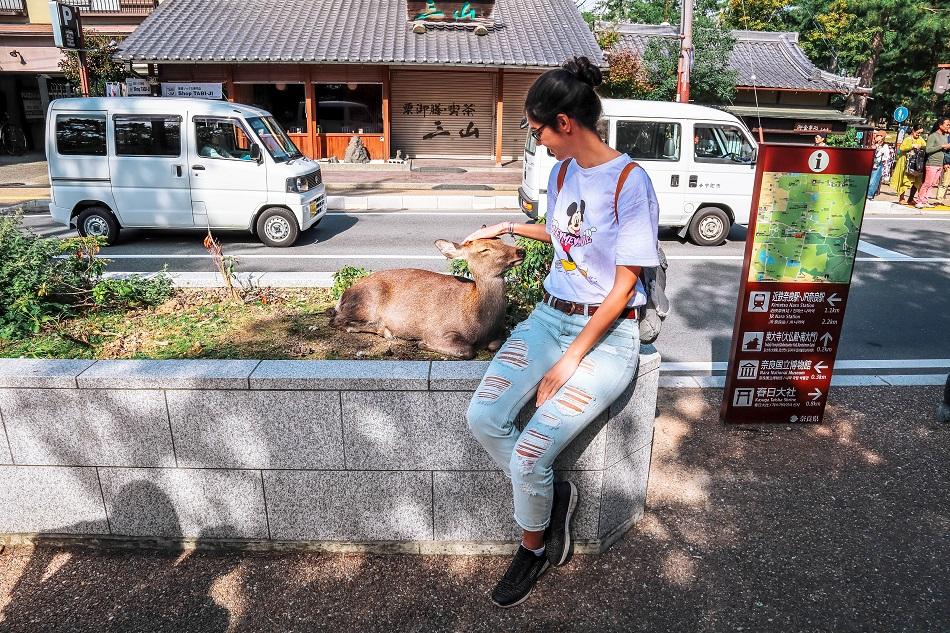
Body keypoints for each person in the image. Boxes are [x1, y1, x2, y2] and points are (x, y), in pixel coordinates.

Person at [464, 56, 659, 608]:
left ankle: (532, 547)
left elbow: (623, 286)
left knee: (528, 456)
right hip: (549, 316)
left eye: (539, 130)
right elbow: (561, 232)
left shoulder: (629, 182)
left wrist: (569, 360)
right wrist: (506, 226)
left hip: (606, 334)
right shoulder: (562, 171)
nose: (539, 141)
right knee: (483, 416)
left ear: (566, 124)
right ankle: (551, 498)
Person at [915, 117, 950, 209]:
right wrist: (942, 146)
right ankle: (919, 200)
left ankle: (925, 200)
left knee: (933, 184)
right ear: (940, 125)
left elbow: (943, 150)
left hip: (940, 164)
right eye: (947, 124)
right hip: (932, 163)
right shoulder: (933, 136)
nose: (948, 126)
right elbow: (928, 149)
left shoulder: (944, 137)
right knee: (927, 183)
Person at [891, 125, 927, 204]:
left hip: (916, 164)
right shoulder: (908, 139)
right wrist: (912, 146)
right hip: (905, 162)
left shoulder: (921, 139)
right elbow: (902, 148)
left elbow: (925, 147)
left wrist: (921, 146)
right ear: (913, 131)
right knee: (904, 180)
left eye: (921, 133)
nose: (919, 134)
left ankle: (911, 198)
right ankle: (901, 198)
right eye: (918, 132)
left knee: (916, 181)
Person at [867, 131, 889, 200]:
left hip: (878, 164)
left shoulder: (885, 146)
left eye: (877, 136)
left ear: (882, 137)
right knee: (869, 180)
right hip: (871, 164)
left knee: (873, 181)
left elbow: (886, 156)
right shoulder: (873, 144)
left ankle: (870, 195)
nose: (875, 137)